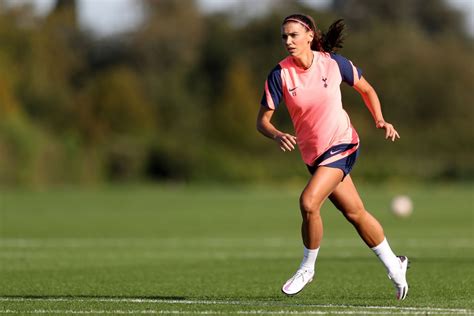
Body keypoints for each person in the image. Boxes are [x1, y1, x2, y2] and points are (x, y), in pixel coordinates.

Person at [256, 13, 409, 300]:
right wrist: (276, 134)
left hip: (343, 144)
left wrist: (379, 119)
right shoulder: (279, 74)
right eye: (284, 37)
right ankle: (395, 264)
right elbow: (262, 121)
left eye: (294, 35)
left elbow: (366, 89)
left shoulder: (333, 63)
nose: (288, 41)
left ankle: (307, 267)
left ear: (309, 36)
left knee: (308, 202)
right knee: (355, 213)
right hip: (314, 156)